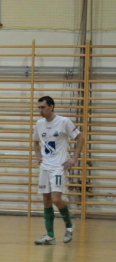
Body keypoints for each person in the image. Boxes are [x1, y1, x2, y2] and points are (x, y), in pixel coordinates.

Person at [33, 96, 84, 245]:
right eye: (39, 108)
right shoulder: (39, 124)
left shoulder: (64, 122)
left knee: (56, 199)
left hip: (58, 167)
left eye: (43, 107)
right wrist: (38, 156)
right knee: (46, 200)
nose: (40, 110)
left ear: (51, 107)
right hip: (45, 167)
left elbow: (80, 138)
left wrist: (73, 159)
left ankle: (69, 225)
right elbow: (36, 142)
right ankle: (50, 236)